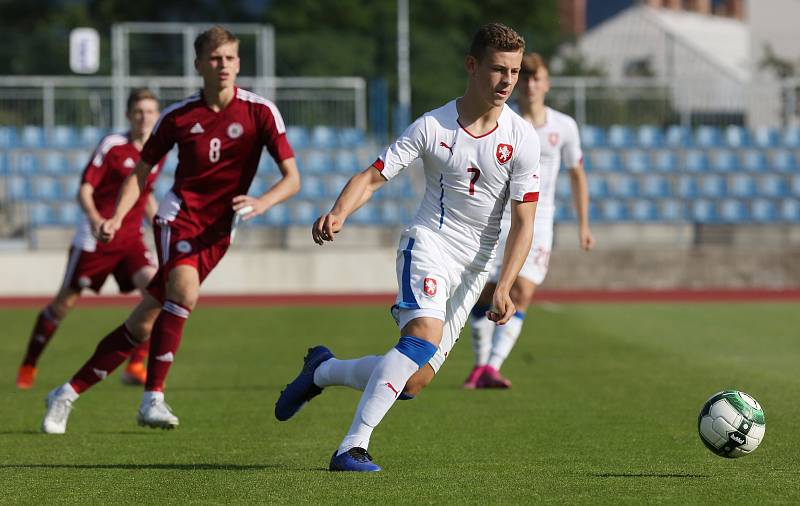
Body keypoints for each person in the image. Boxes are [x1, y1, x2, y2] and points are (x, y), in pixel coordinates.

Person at [274, 23, 541, 472]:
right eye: (498, 69)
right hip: (430, 244)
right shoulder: (433, 126)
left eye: (513, 71)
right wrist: (339, 212)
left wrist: (504, 285)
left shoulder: (522, 138)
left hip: (475, 268)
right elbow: (373, 175)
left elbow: (524, 222)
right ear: (472, 66)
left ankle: (323, 370)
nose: (507, 81)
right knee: (421, 338)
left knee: (413, 381)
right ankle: (351, 448)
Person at [40, 25, 300, 434]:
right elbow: (140, 173)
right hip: (177, 218)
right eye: (215, 59)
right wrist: (115, 217)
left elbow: (292, 178)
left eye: (230, 58)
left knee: (142, 323)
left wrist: (262, 202)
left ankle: (66, 393)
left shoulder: (260, 112)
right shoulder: (178, 116)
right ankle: (152, 399)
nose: (223, 66)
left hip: (219, 232)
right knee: (184, 292)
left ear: (238, 62)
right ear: (199, 65)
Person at [16, 88, 163, 390]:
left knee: (158, 292)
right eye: (139, 111)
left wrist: (161, 226)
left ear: (157, 115)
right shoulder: (113, 145)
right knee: (62, 305)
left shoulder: (156, 153)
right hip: (97, 240)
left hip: (131, 239)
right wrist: (96, 220)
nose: (144, 117)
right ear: (128, 115)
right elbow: (84, 189)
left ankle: (135, 365)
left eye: (150, 111)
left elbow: (145, 196)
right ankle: (29, 363)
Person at [463, 53, 594, 389]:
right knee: (485, 293)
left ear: (547, 84)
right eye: (527, 78)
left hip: (539, 222)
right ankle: (479, 364)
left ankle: (491, 367)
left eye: (539, 79)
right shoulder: (502, 121)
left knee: (522, 291)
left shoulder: (563, 127)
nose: (532, 84)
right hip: (498, 219)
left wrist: (583, 224)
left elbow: (577, 174)